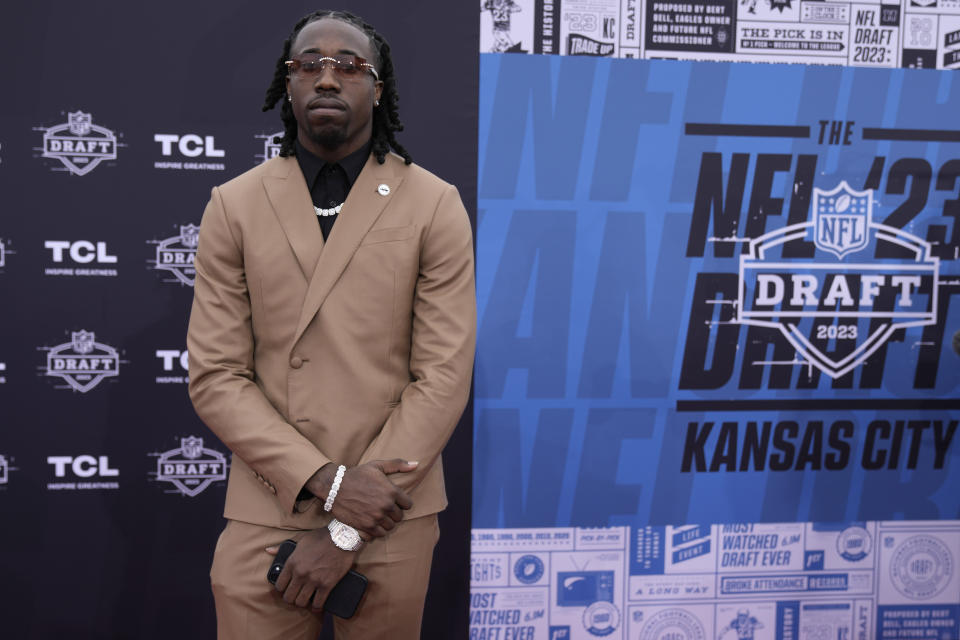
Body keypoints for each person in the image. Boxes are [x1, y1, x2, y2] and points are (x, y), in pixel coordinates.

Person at [186, 9, 476, 639]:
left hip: (391, 513)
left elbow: (443, 377)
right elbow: (216, 376)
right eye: (307, 64)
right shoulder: (234, 204)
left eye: (348, 66)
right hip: (271, 507)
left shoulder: (433, 203)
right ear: (285, 86)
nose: (326, 78)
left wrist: (350, 522)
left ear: (378, 87)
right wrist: (326, 483)